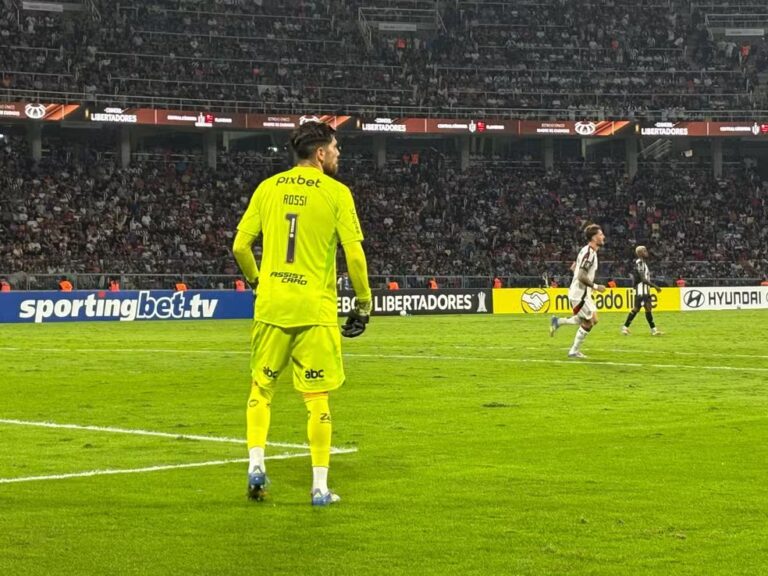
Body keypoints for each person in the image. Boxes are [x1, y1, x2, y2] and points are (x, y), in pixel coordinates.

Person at [232, 121, 372, 507]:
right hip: (315, 309)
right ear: (321, 153)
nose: (339, 153)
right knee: (317, 398)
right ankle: (319, 488)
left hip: (272, 305)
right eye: (336, 147)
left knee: (261, 389)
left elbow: (240, 247)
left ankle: (256, 465)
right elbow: (354, 254)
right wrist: (363, 302)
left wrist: (258, 281)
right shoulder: (337, 193)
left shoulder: (268, 188)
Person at [549, 224, 607, 359]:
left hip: (583, 293)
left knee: (594, 319)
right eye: (600, 234)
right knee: (588, 322)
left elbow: (574, 267)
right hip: (579, 295)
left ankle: (558, 322)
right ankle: (573, 351)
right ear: (594, 237)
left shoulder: (586, 250)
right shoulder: (589, 253)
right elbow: (581, 276)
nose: (603, 237)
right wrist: (596, 287)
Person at [622, 245, 663, 336]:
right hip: (641, 290)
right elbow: (643, 279)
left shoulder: (643, 263)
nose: (646, 252)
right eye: (644, 251)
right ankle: (653, 330)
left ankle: (626, 328)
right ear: (640, 253)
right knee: (640, 309)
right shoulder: (640, 263)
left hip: (644, 290)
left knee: (644, 308)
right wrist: (655, 287)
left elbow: (637, 278)